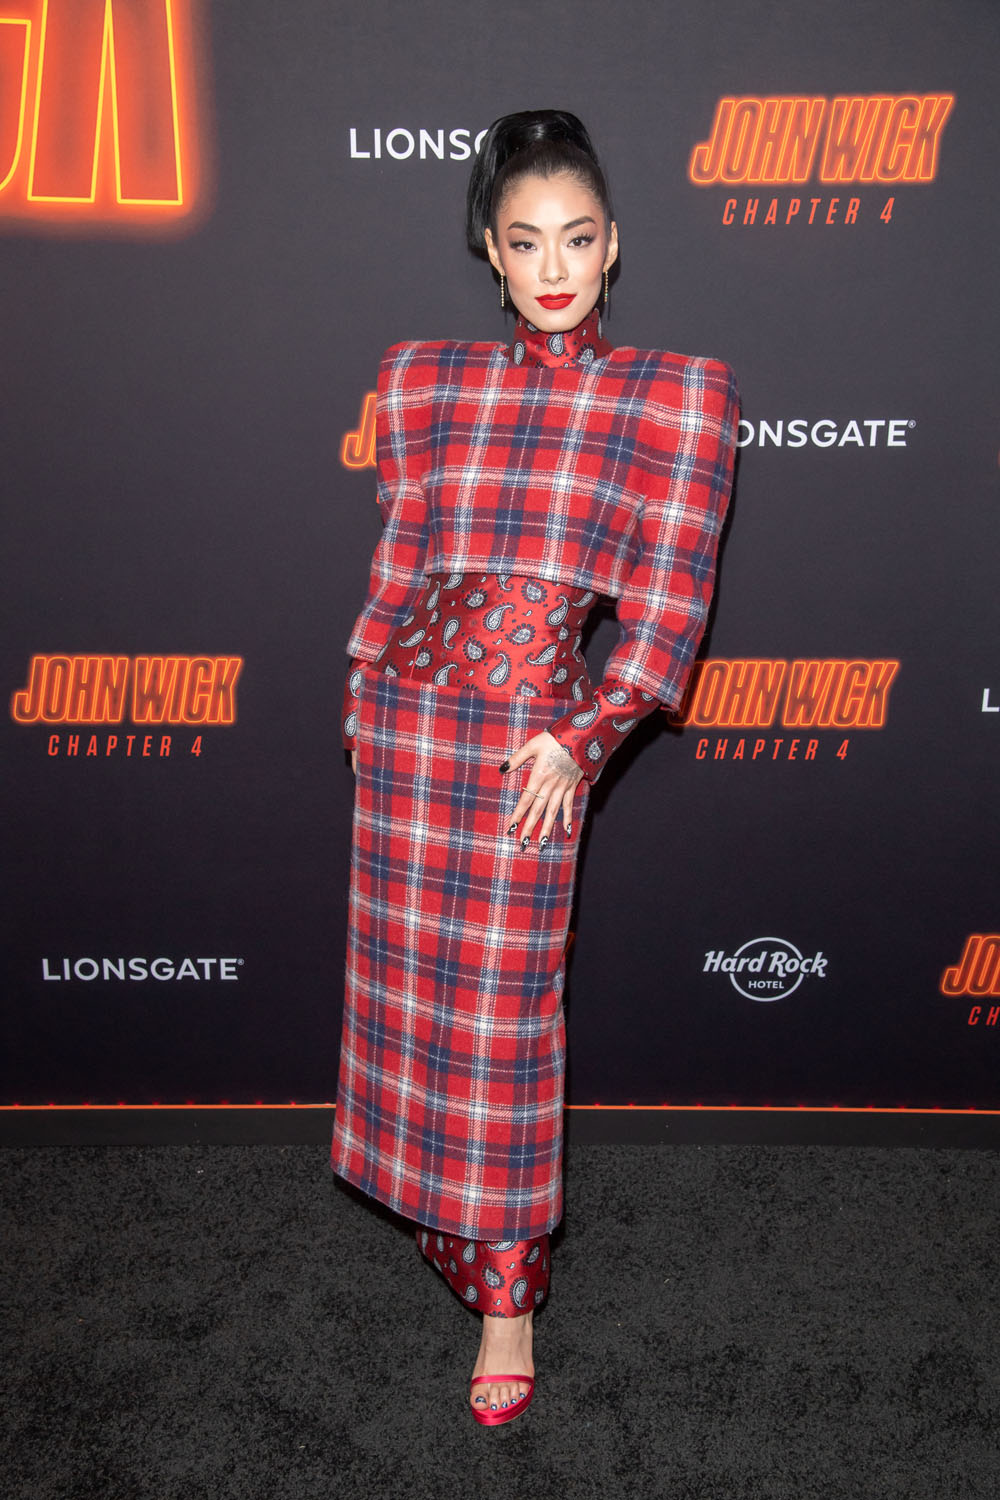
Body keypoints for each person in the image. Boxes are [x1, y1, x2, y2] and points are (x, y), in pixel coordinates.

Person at [332, 109, 739, 1426]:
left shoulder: (676, 395)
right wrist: (361, 689)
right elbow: (400, 563)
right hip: (410, 735)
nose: (553, 266)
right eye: (524, 241)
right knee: (405, 1004)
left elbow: (669, 609)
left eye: (576, 237)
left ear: (613, 245)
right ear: (491, 252)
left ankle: (506, 1300)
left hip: (531, 749)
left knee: (504, 1023)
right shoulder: (422, 379)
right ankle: (437, 1213)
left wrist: (585, 734)